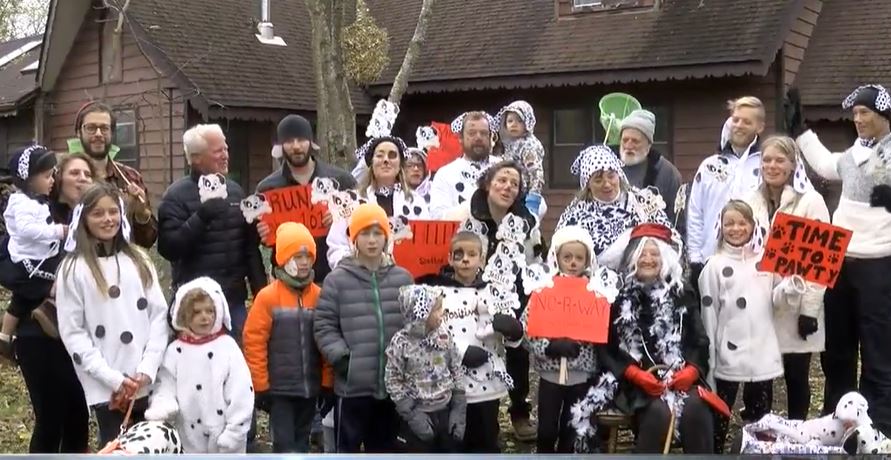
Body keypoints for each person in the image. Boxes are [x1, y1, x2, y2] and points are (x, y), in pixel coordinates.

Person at [786, 85, 891, 434]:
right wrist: (800, 132)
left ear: (884, 116)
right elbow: (829, 166)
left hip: (879, 261)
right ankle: (839, 419)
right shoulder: (857, 151)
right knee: (838, 350)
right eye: (855, 114)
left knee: (877, 348)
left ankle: (881, 424)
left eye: (865, 113)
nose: (858, 119)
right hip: (840, 260)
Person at [55, 183, 170, 447]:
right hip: (107, 387)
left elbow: (158, 316)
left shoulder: (139, 259)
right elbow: (73, 333)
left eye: (113, 212)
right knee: (117, 447)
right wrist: (114, 379)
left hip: (147, 379)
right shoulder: (73, 269)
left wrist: (147, 368)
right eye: (98, 213)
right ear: (83, 218)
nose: (108, 219)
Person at [2, 153, 94, 453]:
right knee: (51, 418)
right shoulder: (35, 211)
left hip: (83, 333)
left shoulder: (97, 215)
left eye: (87, 174)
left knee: (79, 418)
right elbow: (7, 261)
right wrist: (46, 286)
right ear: (56, 178)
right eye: (73, 173)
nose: (81, 178)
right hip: (38, 332)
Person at [597, 223, 716, 453]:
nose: (648, 259)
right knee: (658, 412)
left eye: (654, 254)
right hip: (635, 382)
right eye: (642, 253)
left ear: (665, 259)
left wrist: (691, 371)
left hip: (680, 377)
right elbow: (606, 347)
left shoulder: (682, 294)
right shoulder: (617, 298)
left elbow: (698, 340)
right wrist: (634, 374)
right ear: (632, 258)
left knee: (697, 408)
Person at [443, 160, 539, 443]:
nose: (507, 186)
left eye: (514, 184)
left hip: (512, 291)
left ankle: (519, 411)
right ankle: (472, 412)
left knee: (517, 352)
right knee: (477, 349)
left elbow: (534, 260)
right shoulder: (462, 214)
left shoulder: (527, 223)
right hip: (470, 290)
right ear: (488, 183)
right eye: (502, 180)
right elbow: (447, 254)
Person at [313, 203, 413, 452]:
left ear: (386, 237)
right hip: (352, 387)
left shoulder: (403, 279)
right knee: (346, 448)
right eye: (365, 233)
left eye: (377, 233)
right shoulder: (337, 280)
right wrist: (343, 359)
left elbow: (414, 324)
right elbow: (324, 324)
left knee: (384, 449)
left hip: (393, 386)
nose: (371, 240)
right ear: (353, 238)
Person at [744, 135, 830, 420]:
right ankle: (759, 437)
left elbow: (820, 262)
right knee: (758, 379)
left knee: (795, 377)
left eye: (779, 160)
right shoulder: (750, 199)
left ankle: (797, 435)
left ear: (793, 165)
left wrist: (809, 310)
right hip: (758, 303)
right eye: (766, 159)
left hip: (795, 304)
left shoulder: (811, 202)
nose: (772, 165)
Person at [157, 124, 266, 343]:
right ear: (196, 158)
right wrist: (201, 217)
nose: (226, 155)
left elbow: (248, 249)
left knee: (237, 370)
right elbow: (168, 248)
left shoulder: (235, 190)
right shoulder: (175, 196)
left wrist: (261, 293)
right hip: (195, 305)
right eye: (218, 151)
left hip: (234, 303)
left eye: (226, 149)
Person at [416, 231, 520, 453]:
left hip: (487, 384)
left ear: (482, 259)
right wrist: (460, 351)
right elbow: (427, 333)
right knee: (453, 441)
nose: (465, 259)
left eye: (472, 254)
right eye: (459, 254)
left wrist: (515, 332)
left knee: (485, 440)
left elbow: (512, 340)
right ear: (450, 258)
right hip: (450, 384)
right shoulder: (436, 292)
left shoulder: (496, 293)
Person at [699, 200, 782, 452]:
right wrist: (711, 357)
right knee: (718, 415)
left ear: (752, 225)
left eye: (742, 222)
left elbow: (777, 298)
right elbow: (708, 313)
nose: (736, 228)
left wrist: (792, 286)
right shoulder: (714, 265)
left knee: (760, 416)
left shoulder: (767, 260)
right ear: (720, 227)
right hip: (727, 354)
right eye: (729, 223)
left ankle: (756, 453)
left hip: (761, 352)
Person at [243, 222, 333, 453]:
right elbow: (254, 342)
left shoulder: (319, 296)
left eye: (308, 256)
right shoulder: (268, 298)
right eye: (297, 256)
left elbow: (326, 341)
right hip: (279, 389)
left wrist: (326, 381)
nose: (303, 262)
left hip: (309, 386)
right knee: (284, 444)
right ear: (283, 259)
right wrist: (260, 385)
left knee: (302, 441)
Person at [143, 277, 253, 453]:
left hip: (224, 435)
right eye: (197, 312)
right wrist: (163, 404)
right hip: (188, 434)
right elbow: (165, 384)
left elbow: (242, 391)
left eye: (210, 311)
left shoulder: (227, 347)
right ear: (184, 315)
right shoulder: (174, 351)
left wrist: (235, 431)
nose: (205, 317)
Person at [522, 226, 603, 453]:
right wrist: (548, 347)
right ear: (557, 257)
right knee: (547, 429)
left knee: (571, 428)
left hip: (580, 373)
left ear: (587, 259)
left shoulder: (595, 293)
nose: (573, 263)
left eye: (579, 257)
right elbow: (527, 329)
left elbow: (602, 331)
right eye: (567, 257)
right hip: (550, 373)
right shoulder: (544, 289)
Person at [257, 114, 356, 283]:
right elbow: (261, 242)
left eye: (301, 139)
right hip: (288, 280)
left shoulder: (342, 181)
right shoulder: (267, 189)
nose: (296, 147)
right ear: (281, 146)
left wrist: (341, 221)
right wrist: (263, 234)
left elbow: (362, 228)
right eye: (289, 141)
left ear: (311, 142)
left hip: (333, 277)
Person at [556, 144, 672, 270]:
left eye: (611, 176)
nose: (607, 184)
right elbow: (559, 254)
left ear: (619, 175)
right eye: (598, 180)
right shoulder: (576, 214)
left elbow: (670, 236)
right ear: (587, 184)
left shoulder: (641, 201)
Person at [687, 96, 766, 279]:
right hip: (710, 261)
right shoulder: (709, 166)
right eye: (735, 120)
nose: (738, 125)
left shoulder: (767, 165)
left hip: (754, 265)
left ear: (759, 127)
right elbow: (695, 213)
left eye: (747, 121)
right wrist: (695, 258)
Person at [0, 145, 67, 357]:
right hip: (29, 261)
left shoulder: (35, 201)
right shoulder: (21, 202)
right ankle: (47, 311)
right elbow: (26, 230)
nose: (53, 181)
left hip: (39, 254)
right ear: (28, 180)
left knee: (20, 300)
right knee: (56, 283)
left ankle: (5, 337)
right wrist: (57, 231)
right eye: (47, 176)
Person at [327, 135, 428, 269]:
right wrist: (358, 266)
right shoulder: (350, 201)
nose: (386, 160)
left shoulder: (416, 202)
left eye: (392, 155)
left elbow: (425, 244)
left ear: (400, 165)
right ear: (371, 163)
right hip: (360, 281)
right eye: (380, 155)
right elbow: (336, 247)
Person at [385, 285, 466, 453]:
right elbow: (392, 380)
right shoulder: (401, 343)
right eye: (437, 309)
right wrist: (411, 414)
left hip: (445, 410)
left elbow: (456, 367)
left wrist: (459, 407)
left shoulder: (443, 335)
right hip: (417, 414)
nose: (442, 313)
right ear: (420, 314)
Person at [66, 101, 157, 248]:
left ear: (112, 133)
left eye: (104, 128)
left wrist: (141, 215)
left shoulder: (129, 178)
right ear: (78, 132)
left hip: (121, 264)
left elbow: (146, 241)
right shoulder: (65, 178)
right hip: (79, 264)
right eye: (91, 128)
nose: (98, 134)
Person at [429, 111, 501, 218]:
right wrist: (471, 208)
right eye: (472, 133)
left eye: (483, 133)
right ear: (460, 138)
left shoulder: (503, 168)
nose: (478, 137)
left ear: (490, 137)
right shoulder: (445, 174)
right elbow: (438, 217)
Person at [618, 109, 682, 223]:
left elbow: (677, 219)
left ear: (648, 145)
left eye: (635, 141)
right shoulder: (610, 169)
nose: (628, 145)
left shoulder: (667, 173)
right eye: (625, 140)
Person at [495, 100, 546, 216]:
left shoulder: (528, 145)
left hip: (525, 196)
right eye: (510, 121)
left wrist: (533, 200)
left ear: (527, 122)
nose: (514, 124)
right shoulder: (511, 144)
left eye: (519, 120)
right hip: (512, 193)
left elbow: (536, 174)